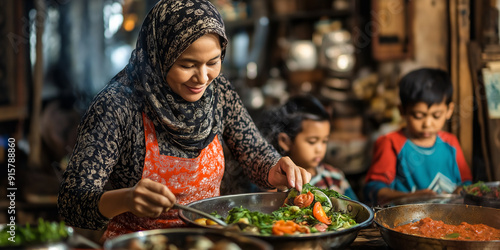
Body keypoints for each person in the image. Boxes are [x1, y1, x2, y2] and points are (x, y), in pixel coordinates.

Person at [57, 0, 310, 240]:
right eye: (188, 64)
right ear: (160, 56)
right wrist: (126, 199)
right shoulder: (116, 105)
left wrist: (273, 168)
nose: (202, 78)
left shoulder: (218, 91)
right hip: (140, 242)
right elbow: (72, 203)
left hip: (210, 239)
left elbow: (253, 150)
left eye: (213, 62)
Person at [363, 68, 472, 205]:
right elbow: (373, 190)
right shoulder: (391, 143)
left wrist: (462, 190)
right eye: (418, 116)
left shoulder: (450, 142)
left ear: (449, 111)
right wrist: (410, 197)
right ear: (402, 111)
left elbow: (467, 183)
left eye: (436, 115)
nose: (427, 123)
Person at [258, 95, 358, 200]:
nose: (319, 149)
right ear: (285, 141)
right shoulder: (273, 181)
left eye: (324, 141)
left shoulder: (335, 178)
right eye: (312, 142)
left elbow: (356, 209)